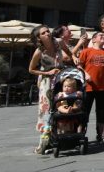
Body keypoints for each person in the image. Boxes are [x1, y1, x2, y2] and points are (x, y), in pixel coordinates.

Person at [29, 25, 62, 153]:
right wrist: (47, 73)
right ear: (39, 38)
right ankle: (44, 140)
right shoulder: (39, 51)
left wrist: (74, 58)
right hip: (46, 82)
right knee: (46, 109)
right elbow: (31, 69)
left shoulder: (58, 43)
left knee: (60, 105)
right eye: (44, 33)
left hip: (60, 79)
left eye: (48, 31)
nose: (48, 33)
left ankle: (58, 137)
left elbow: (70, 54)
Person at [76, 31, 104, 143]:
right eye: (100, 36)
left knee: (102, 112)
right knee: (84, 111)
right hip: (88, 87)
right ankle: (81, 133)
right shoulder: (86, 51)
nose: (103, 37)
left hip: (103, 87)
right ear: (93, 40)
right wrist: (85, 73)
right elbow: (79, 66)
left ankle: (102, 134)